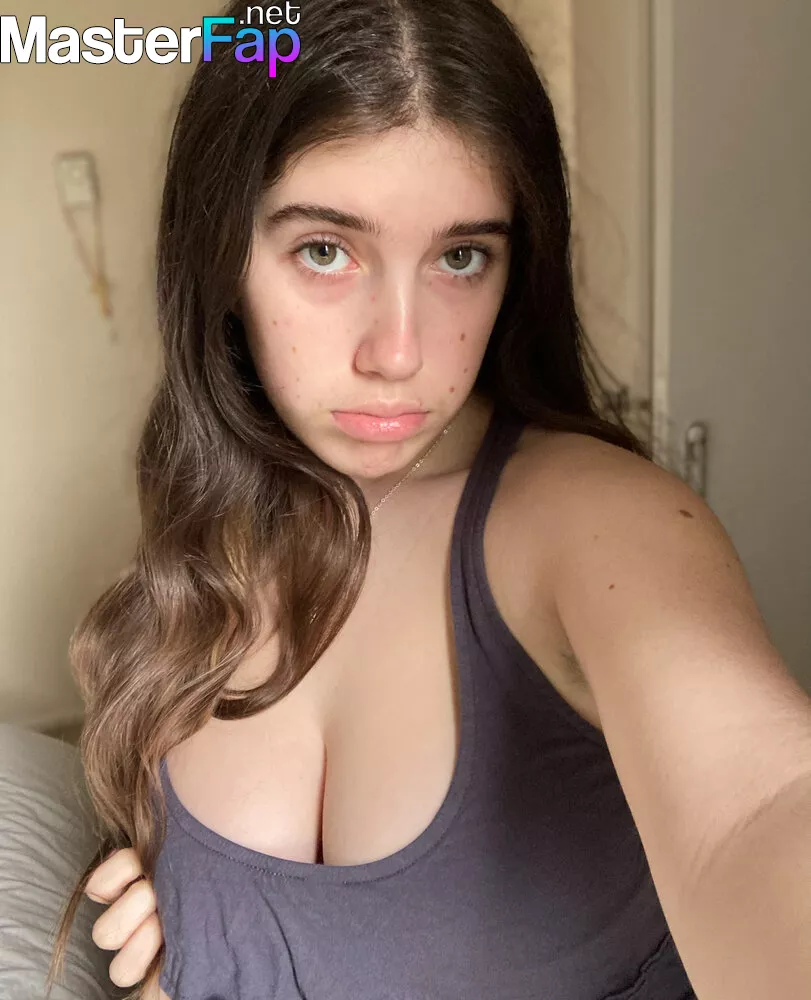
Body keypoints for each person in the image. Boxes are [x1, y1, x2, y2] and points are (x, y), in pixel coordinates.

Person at [46, 0, 811, 998]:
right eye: (326, 250)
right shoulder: (206, 554)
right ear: (218, 253)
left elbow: (760, 810)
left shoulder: (593, 523)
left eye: (460, 257)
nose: (398, 353)